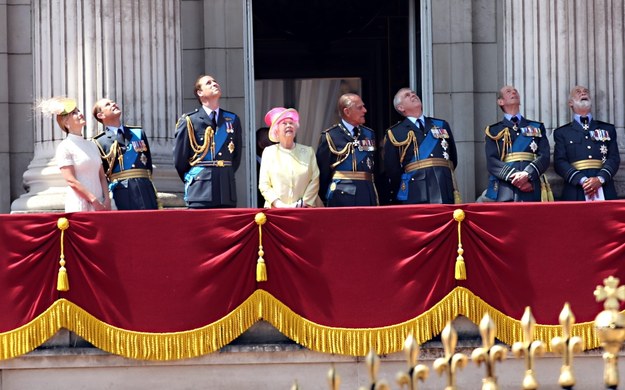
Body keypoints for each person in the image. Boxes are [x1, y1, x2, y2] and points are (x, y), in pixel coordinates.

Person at [173, 75, 242, 208]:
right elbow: (180, 160)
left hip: (226, 189)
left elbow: (236, 157)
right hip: (200, 189)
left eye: (215, 81)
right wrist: (195, 178)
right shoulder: (189, 121)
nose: (214, 84)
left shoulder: (232, 119)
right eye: (208, 83)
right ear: (200, 93)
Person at [383, 88, 461, 204]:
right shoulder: (395, 132)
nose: (413, 95)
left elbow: (452, 158)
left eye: (413, 93)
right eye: (407, 95)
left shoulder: (441, 124)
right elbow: (393, 170)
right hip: (416, 190)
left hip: (443, 185)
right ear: (401, 108)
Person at [39, 97, 110, 212]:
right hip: (80, 204)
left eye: (78, 111)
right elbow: (71, 180)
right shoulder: (64, 147)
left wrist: (107, 199)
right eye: (74, 113)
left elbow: (102, 176)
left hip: (100, 203)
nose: (80, 114)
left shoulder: (92, 145)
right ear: (66, 122)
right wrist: (93, 200)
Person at [484, 85, 551, 202]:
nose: (513, 92)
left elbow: (544, 156)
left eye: (515, 91)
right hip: (506, 188)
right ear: (501, 101)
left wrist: (527, 174)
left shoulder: (537, 127)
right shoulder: (493, 131)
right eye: (508, 91)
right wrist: (516, 178)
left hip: (532, 185)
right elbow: (492, 161)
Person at [554, 85, 620, 201]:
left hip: (605, 187)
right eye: (578, 92)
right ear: (570, 103)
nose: (583, 93)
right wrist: (583, 180)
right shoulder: (562, 132)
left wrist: (600, 179)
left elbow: (613, 157)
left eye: (586, 91)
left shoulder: (607, 129)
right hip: (575, 189)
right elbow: (559, 162)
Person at [92, 98, 159, 210]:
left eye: (113, 102)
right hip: (122, 191)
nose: (113, 104)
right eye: (108, 104)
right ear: (100, 115)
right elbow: (102, 174)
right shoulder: (99, 141)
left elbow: (148, 164)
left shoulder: (138, 132)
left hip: (145, 188)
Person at [316, 93, 378, 206]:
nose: (365, 110)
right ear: (347, 111)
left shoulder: (369, 133)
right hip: (341, 194)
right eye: (360, 107)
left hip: (367, 193)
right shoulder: (331, 135)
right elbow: (323, 172)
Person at [258, 107, 322, 208]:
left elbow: (315, 180)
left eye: (291, 123)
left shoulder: (308, 151)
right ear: (276, 130)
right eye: (284, 123)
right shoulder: (269, 152)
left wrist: (303, 203)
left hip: (306, 210)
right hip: (277, 211)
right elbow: (264, 184)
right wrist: (279, 205)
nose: (289, 125)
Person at [256, 126, 275, 208]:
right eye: (272, 141)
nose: (276, 143)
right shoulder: (252, 167)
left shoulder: (276, 163)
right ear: (261, 144)